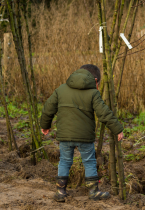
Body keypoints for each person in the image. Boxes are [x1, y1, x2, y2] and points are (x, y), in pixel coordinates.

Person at [40, 64, 124, 202]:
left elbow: (48, 108)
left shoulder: (61, 89)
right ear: (95, 80)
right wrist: (117, 129)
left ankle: (60, 191)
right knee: (89, 161)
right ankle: (93, 191)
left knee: (64, 161)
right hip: (85, 137)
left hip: (65, 136)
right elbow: (104, 113)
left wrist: (45, 125)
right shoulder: (93, 93)